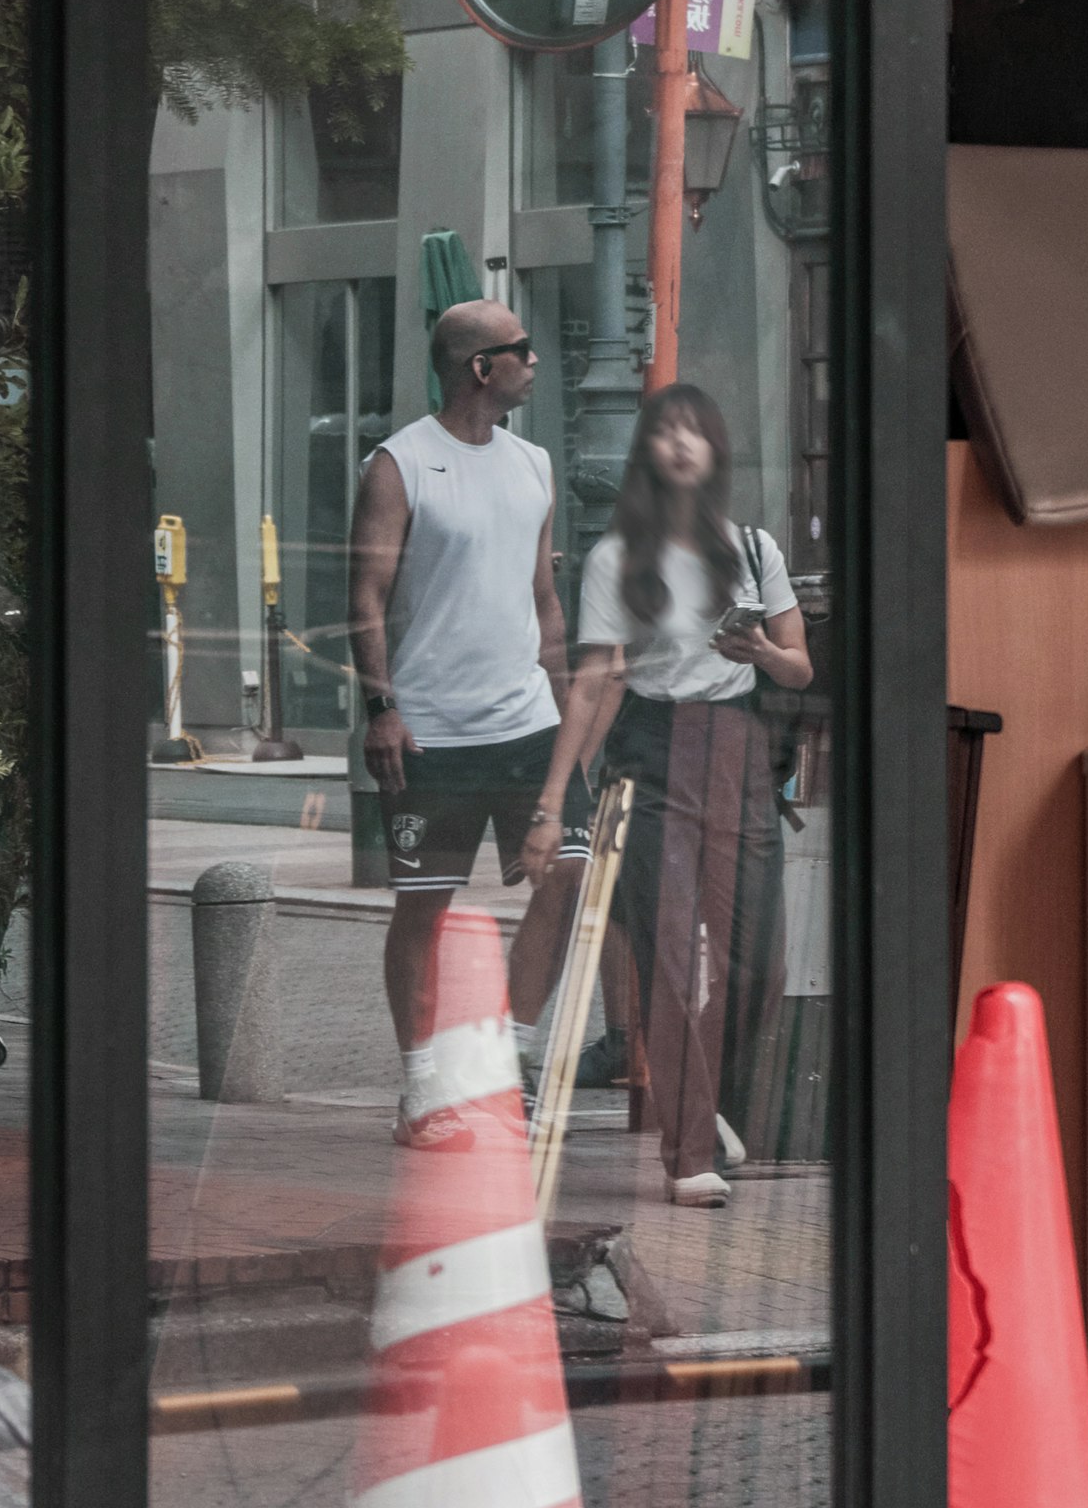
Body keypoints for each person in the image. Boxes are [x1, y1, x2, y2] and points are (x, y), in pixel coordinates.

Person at [536, 384, 810, 1206]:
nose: (683, 444)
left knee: (758, 960)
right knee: (663, 949)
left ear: (717, 450)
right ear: (648, 454)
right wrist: (557, 798)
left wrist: (761, 649)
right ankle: (689, 1150)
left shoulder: (755, 548)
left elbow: (801, 667)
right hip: (651, 750)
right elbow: (596, 681)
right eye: (667, 433)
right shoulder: (617, 556)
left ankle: (712, 1104)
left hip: (739, 745)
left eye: (698, 431)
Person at [347, 301, 585, 1138]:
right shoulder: (399, 463)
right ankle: (421, 1086)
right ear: (481, 369)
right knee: (424, 907)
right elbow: (365, 599)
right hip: (432, 733)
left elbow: (546, 603)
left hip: (526, 726)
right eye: (522, 350)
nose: (534, 361)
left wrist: (567, 727)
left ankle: (510, 1058)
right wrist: (381, 708)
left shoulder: (534, 464)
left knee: (568, 875)